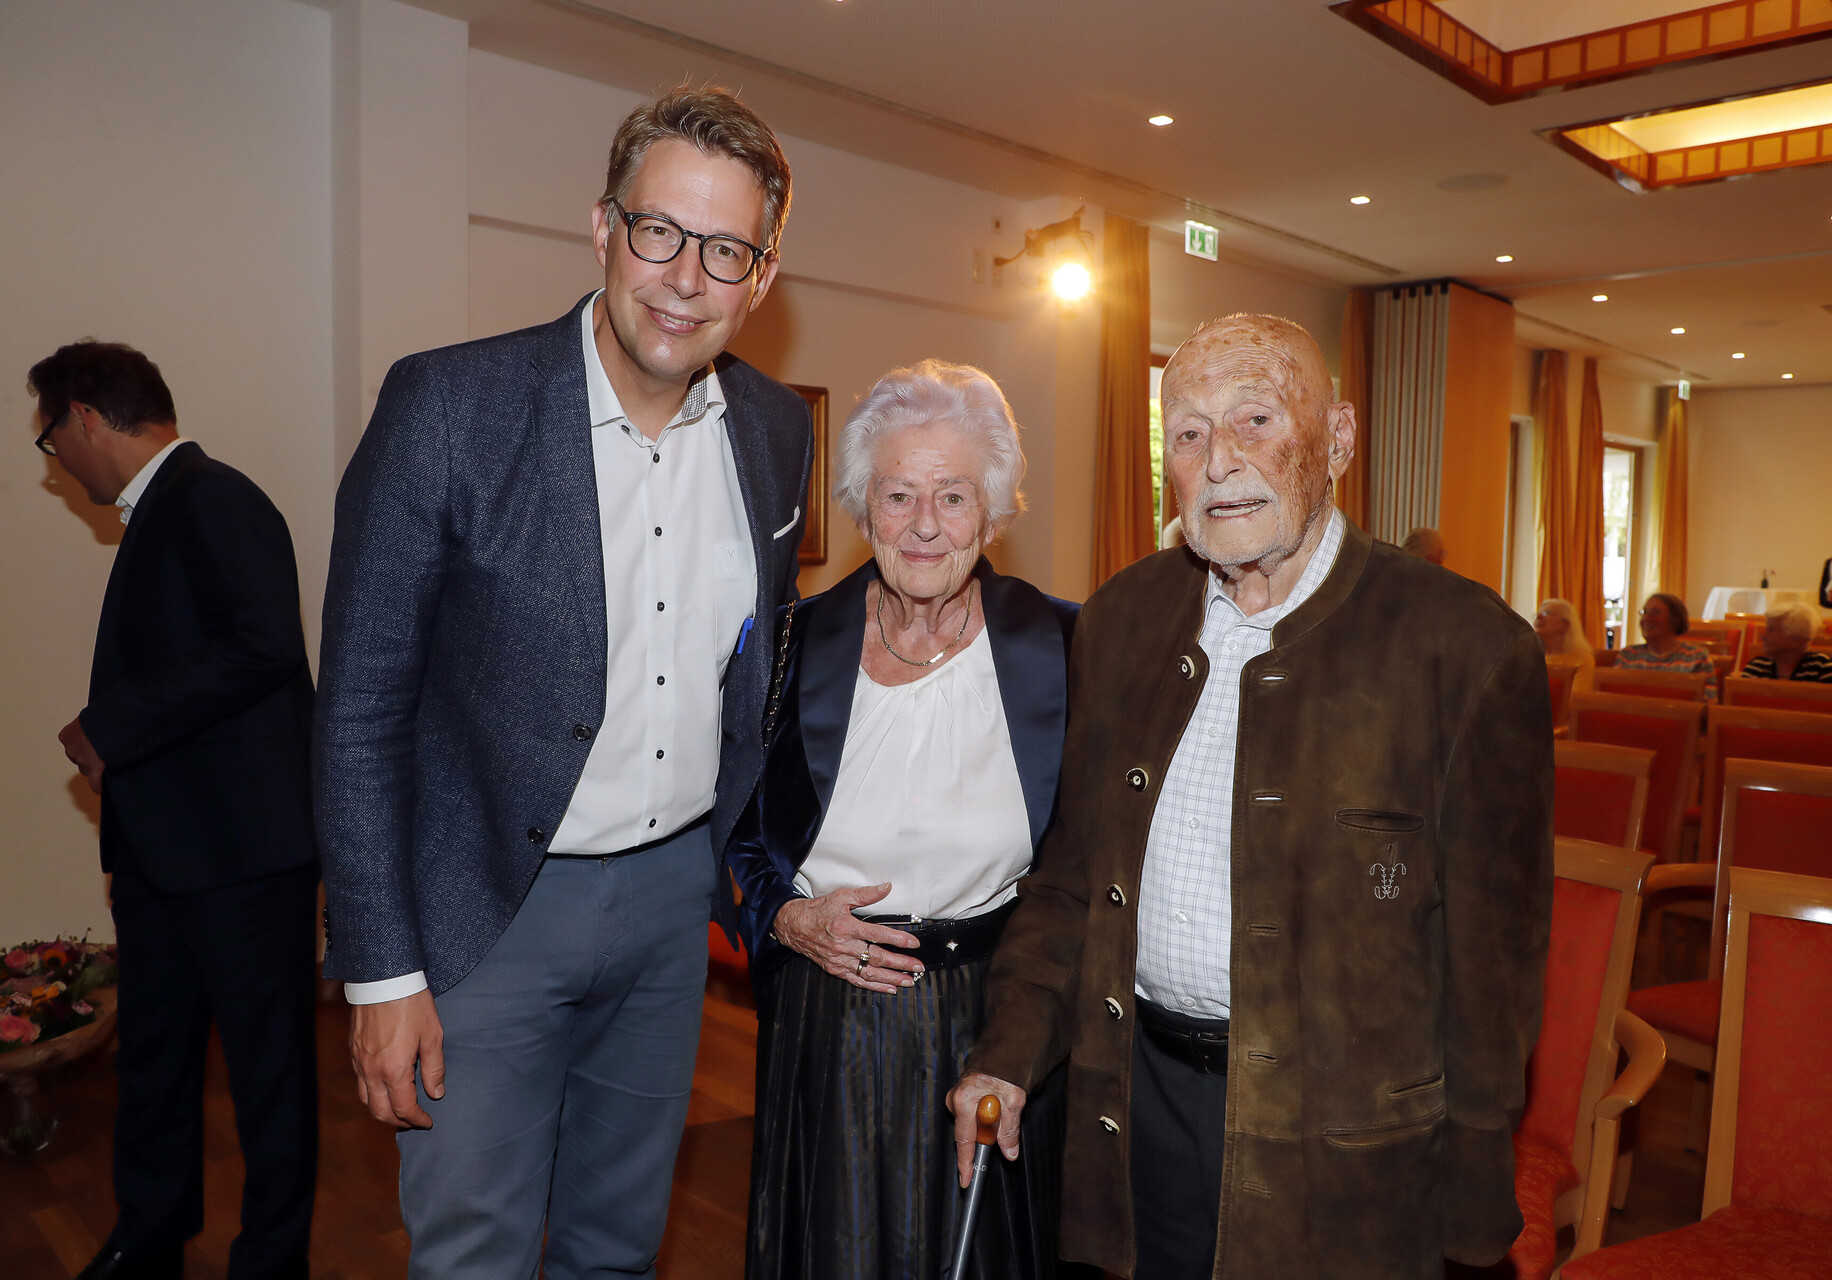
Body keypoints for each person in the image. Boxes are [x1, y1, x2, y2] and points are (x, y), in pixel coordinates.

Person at [313, 87, 813, 1279]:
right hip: (486, 909)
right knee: (473, 1249)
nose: (686, 277)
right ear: (602, 228)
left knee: (616, 1242)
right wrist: (382, 969)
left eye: (726, 249)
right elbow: (361, 707)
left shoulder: (776, 431)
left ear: (763, 274)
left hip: (666, 913)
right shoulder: (449, 405)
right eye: (660, 232)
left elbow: (764, 675)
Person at [950, 313, 1553, 1279]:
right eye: (1187, 433)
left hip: (1348, 1159)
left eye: (1257, 420)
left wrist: (1475, 1219)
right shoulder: (1120, 622)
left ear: (1340, 439)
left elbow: (1494, 973)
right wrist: (1008, 1053)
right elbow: (1071, 879)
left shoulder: (1467, 652)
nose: (1220, 460)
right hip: (1137, 1108)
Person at [725, 360, 1080, 1280]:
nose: (925, 525)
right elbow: (731, 829)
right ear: (860, 508)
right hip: (829, 1018)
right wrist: (786, 917)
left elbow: (1093, 862)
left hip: (995, 1016)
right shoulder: (787, 646)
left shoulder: (1067, 648)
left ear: (995, 512)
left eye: (954, 496)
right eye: (898, 494)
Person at [31, 342, 318, 1280]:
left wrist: (108, 728)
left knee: (269, 1078)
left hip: (242, 861)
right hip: (168, 856)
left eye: (49, 438)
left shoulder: (213, 497)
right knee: (152, 1067)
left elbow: (262, 647)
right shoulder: (163, 511)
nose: (55, 462)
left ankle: (268, 1262)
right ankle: (148, 1234)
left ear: (82, 415)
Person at [1616, 592, 1717, 699]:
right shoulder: (1628, 655)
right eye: (1645, 612)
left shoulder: (1697, 657)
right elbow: (1612, 700)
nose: (1646, 618)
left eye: (1655, 613)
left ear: (1675, 620)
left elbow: (1707, 705)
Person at [1740, 601, 1832, 683]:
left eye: (1771, 630)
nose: (1763, 636)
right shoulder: (1756, 667)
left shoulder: (1820, 667)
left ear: (1796, 638)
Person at [1534, 597, 1596, 692]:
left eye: (1546, 613)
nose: (1538, 617)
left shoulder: (1582, 661)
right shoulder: (1528, 657)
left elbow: (1576, 702)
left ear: (1565, 625)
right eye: (1537, 614)